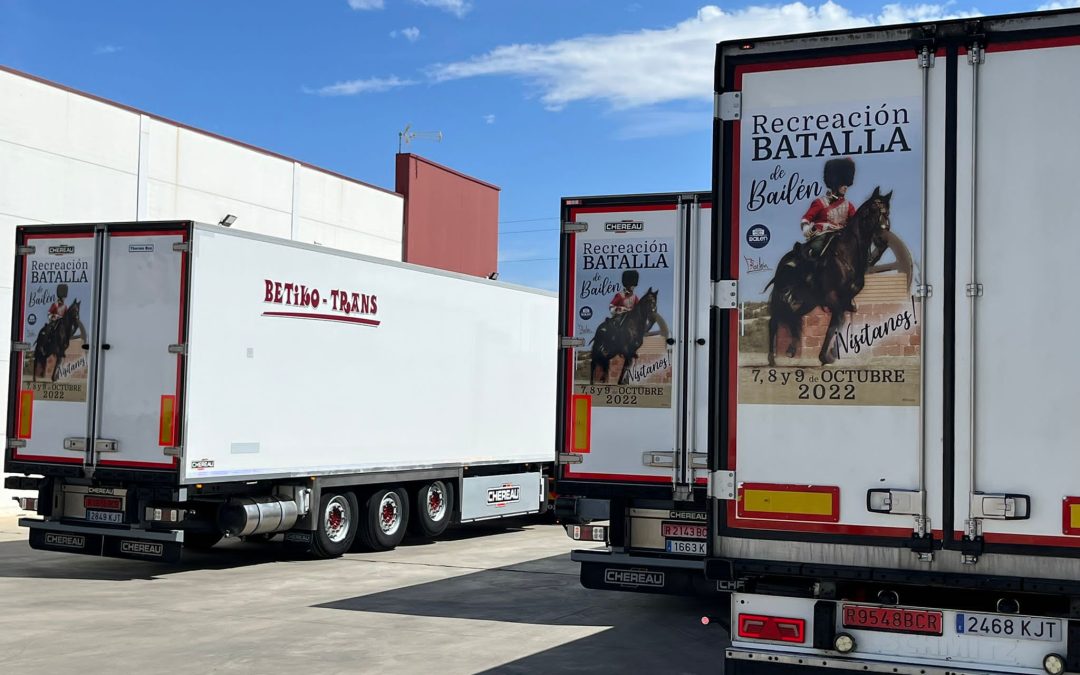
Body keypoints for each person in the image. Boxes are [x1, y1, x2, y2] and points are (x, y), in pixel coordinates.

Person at [799, 157, 856, 258]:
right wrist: (806, 228)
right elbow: (806, 218)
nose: (846, 187)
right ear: (835, 183)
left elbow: (855, 222)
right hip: (822, 235)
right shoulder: (820, 202)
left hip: (841, 237)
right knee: (816, 248)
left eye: (847, 184)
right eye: (843, 184)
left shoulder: (849, 206)